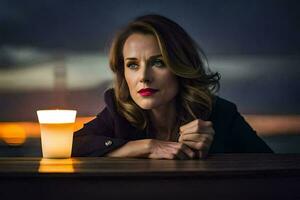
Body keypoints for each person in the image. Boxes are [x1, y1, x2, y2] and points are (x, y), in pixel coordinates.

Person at [72, 14, 273, 159]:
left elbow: (274, 170)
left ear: (180, 66)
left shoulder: (221, 113)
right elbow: (68, 146)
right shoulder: (119, 111)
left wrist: (214, 152)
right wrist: (144, 147)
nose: (143, 77)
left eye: (158, 62)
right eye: (133, 65)